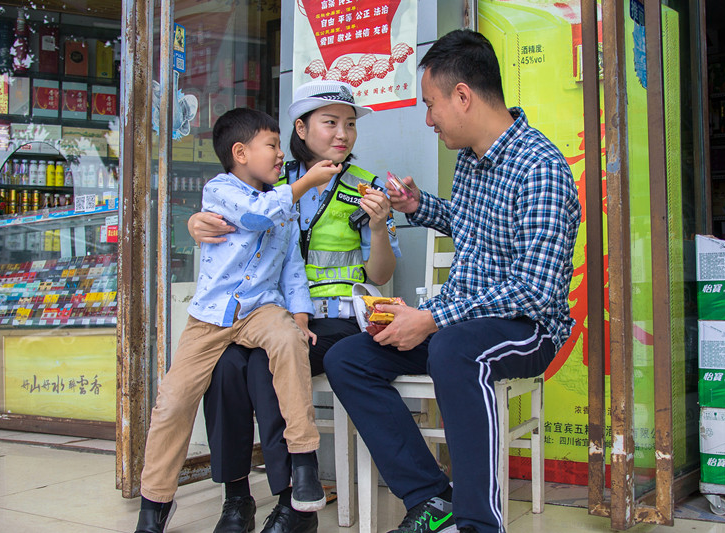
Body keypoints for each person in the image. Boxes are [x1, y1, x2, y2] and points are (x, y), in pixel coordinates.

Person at [322, 29, 582, 533]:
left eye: (431, 104)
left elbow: (536, 289)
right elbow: (468, 221)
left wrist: (432, 317)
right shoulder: (471, 158)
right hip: (461, 323)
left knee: (453, 350)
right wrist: (420, 207)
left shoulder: (541, 167)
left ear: (462, 96)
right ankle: (429, 499)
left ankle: (479, 524)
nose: (428, 119)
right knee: (347, 358)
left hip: (527, 328)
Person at [188, 80, 401, 533]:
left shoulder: (366, 188)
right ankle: (236, 498)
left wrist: (380, 227)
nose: (342, 134)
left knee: (265, 364)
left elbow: (380, 275)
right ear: (301, 129)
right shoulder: (271, 182)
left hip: (339, 321)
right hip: (270, 319)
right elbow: (227, 227)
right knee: (224, 365)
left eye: (349, 125)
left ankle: (295, 504)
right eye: (330, 123)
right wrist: (195, 222)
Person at [135, 108, 342, 533]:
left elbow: (291, 271)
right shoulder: (220, 190)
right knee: (172, 401)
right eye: (272, 145)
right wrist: (303, 185)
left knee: (288, 340)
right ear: (240, 152)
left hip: (261, 311)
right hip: (210, 318)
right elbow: (255, 216)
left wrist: (299, 319)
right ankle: (154, 504)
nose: (280, 154)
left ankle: (303, 464)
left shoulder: (281, 199)